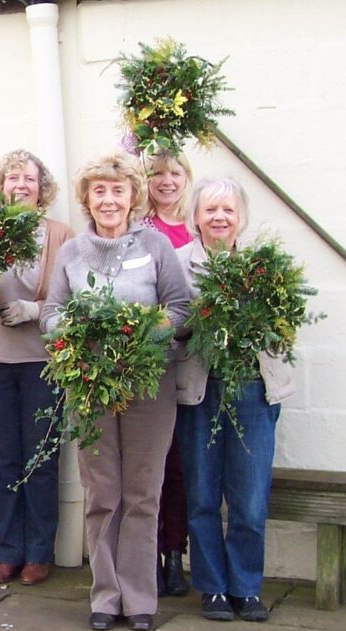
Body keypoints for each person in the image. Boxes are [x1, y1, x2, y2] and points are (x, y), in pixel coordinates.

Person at [41, 151, 189, 631]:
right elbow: (50, 315)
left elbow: (180, 306)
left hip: (149, 382)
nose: (108, 199)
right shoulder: (71, 252)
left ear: (132, 197)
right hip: (90, 385)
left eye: (117, 190)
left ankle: (140, 597)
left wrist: (146, 335)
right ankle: (105, 596)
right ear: (87, 197)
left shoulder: (156, 246)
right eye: (99, 190)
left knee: (143, 490)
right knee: (102, 491)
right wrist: (78, 334)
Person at [175, 177, 292, 623]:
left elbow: (283, 325)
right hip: (200, 389)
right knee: (202, 492)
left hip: (253, 389)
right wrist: (202, 318)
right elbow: (169, 321)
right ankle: (213, 588)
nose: (219, 218)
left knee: (249, 498)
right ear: (196, 218)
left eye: (227, 210)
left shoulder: (264, 265)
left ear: (239, 217)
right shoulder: (180, 263)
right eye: (210, 210)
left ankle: (246, 586)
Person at [0, 150, 73, 587]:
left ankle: (38, 552)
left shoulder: (60, 235)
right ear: (2, 185)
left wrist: (37, 309)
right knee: (3, 459)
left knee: (41, 459)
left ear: (41, 187)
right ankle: (8, 550)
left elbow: (74, 297)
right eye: (13, 177)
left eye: (29, 179)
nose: (21, 185)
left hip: (43, 362)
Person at [145, 150, 194, 597]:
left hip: (190, 363)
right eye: (157, 173)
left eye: (175, 173)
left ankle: (175, 553)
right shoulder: (139, 229)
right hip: (150, 361)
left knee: (178, 464)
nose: (166, 181)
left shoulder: (197, 228)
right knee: (151, 464)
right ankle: (150, 554)